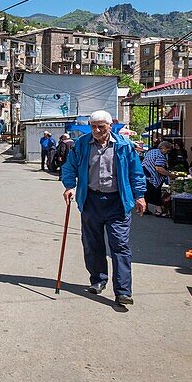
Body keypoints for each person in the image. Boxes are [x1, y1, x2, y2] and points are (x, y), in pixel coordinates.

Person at [61, 110, 147, 306]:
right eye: (93, 127)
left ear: (110, 126)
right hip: (91, 200)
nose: (97, 130)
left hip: (118, 202)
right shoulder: (82, 144)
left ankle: (123, 291)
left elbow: (136, 173)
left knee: (120, 245)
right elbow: (69, 167)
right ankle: (98, 280)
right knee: (93, 244)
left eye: (101, 127)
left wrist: (140, 196)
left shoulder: (124, 146)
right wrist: (69, 186)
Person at [142, 140, 174, 217]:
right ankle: (158, 210)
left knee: (146, 192)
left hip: (144, 172)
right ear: (163, 147)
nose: (168, 152)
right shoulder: (160, 155)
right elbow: (159, 168)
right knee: (156, 192)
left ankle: (145, 209)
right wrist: (170, 175)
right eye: (167, 149)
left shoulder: (151, 151)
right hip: (153, 176)